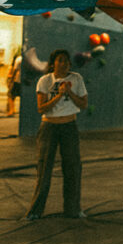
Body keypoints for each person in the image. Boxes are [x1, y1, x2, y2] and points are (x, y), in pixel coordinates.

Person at [25, 49, 88, 220]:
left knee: (73, 168)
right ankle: (35, 211)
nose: (64, 64)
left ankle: (73, 209)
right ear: (53, 63)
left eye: (67, 61)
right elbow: (41, 108)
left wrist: (70, 93)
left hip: (69, 126)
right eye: (60, 60)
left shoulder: (76, 79)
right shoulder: (45, 81)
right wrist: (60, 95)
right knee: (44, 169)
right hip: (49, 128)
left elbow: (83, 104)